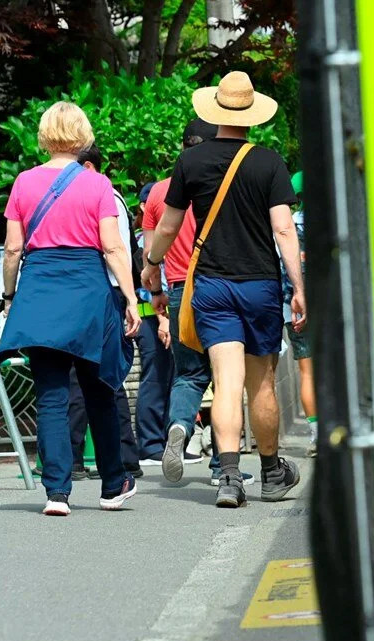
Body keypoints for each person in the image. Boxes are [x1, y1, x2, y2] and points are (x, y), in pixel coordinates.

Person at [141, 71, 304, 509]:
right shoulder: (269, 162)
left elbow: (169, 226)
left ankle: (229, 478)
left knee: (226, 383)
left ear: (215, 112)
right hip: (259, 287)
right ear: (252, 114)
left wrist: (151, 265)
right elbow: (284, 229)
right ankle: (271, 473)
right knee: (262, 384)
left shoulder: (189, 163)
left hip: (210, 286)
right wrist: (299, 287)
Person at [0, 101, 141, 517]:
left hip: (40, 291)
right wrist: (131, 299)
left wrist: (9, 297)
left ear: (44, 135)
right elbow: (113, 247)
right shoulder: (97, 185)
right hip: (88, 293)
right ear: (83, 134)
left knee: (52, 396)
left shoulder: (23, 182)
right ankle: (113, 486)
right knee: (100, 391)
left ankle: (56, 493)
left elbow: (12, 250)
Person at [142, 118, 256, 486]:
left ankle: (178, 426)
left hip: (178, 292)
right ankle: (223, 468)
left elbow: (151, 251)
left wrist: (156, 295)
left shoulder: (158, 193)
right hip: (218, 286)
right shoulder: (222, 183)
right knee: (226, 378)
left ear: (181, 146)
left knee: (188, 373)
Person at [66, 144, 144, 481]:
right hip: (109, 291)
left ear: (87, 167)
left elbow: (115, 250)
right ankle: (122, 457)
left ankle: (85, 458)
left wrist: (127, 298)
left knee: (89, 376)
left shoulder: (103, 198)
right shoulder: (113, 198)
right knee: (103, 375)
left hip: (101, 291)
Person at [132, 181, 176, 466]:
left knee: (169, 377)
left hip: (163, 316)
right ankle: (149, 444)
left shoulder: (162, 238)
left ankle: (164, 441)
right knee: (154, 377)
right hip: (150, 316)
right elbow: (148, 283)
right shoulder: (141, 242)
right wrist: (162, 319)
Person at [283, 171, 318, 456]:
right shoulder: (333, 224)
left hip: (293, 308)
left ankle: (317, 435)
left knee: (307, 372)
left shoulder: (287, 226)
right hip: (329, 309)